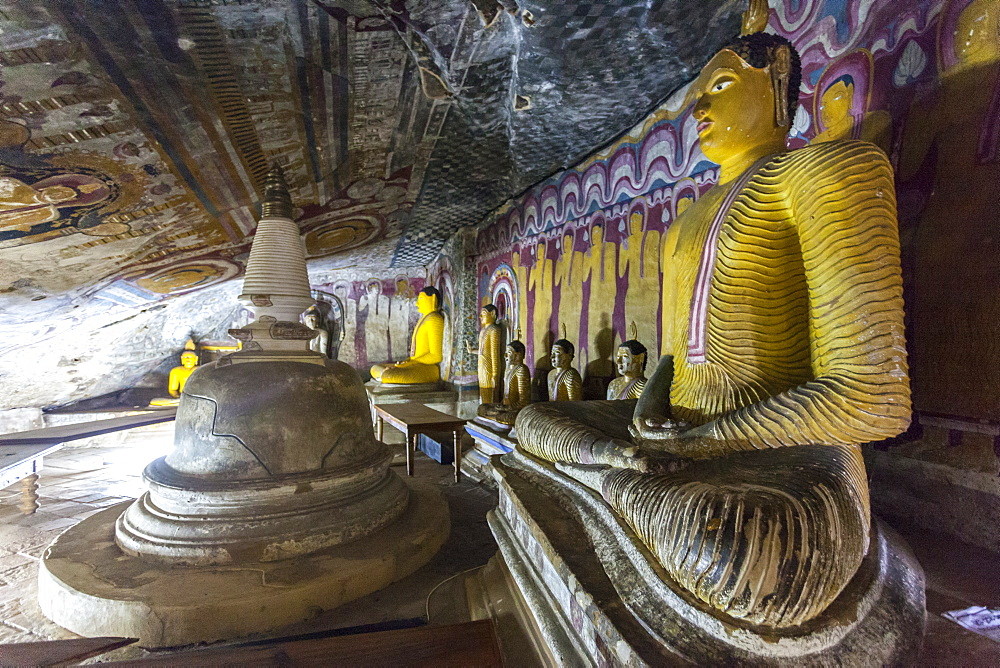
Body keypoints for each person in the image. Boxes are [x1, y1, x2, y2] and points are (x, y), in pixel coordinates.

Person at [514, 24, 909, 629]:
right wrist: (649, 410)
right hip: (678, 431)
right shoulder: (683, 222)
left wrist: (708, 442)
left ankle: (614, 473)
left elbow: (873, 397)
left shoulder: (827, 174)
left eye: (721, 84)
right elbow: (672, 356)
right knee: (532, 420)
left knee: (740, 549)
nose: (699, 106)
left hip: (785, 450)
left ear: (779, 89)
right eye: (699, 93)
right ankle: (622, 468)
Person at [370, 286, 445, 384]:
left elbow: (436, 356)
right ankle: (384, 374)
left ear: (433, 299)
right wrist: (407, 362)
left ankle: (385, 375)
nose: (417, 303)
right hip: (415, 364)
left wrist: (411, 363)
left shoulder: (434, 319)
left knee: (390, 376)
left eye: (421, 299)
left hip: (428, 368)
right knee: (375, 368)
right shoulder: (424, 319)